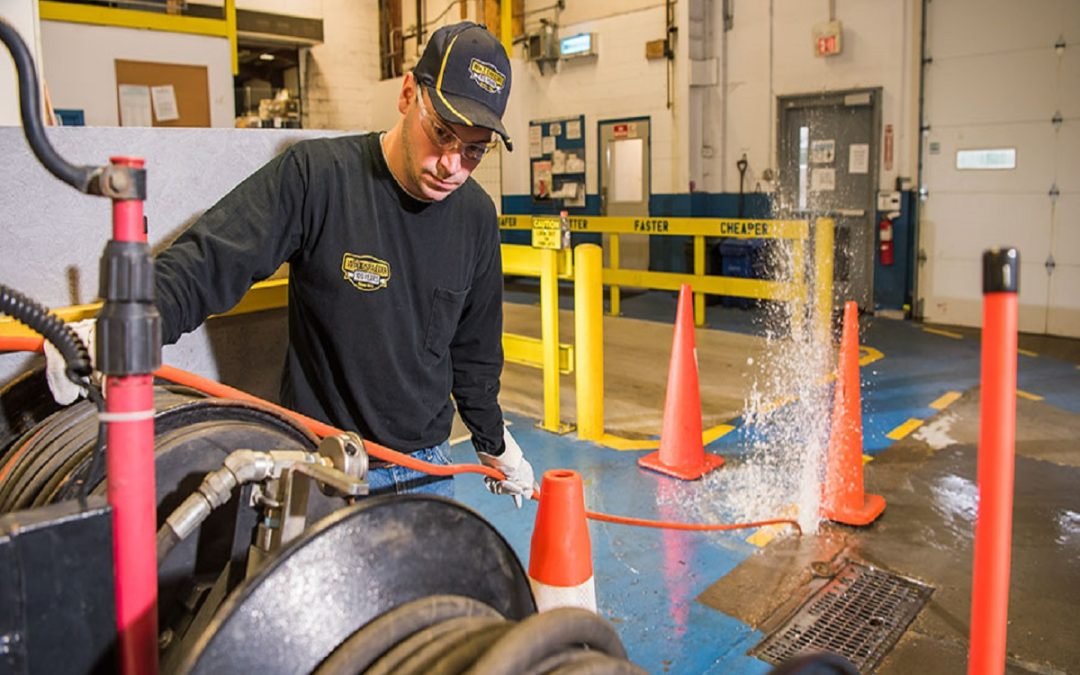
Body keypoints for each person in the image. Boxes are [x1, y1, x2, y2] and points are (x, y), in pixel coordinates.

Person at [50, 21, 536, 504]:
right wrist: (128, 326)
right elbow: (212, 258)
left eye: (474, 150)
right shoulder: (318, 177)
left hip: (425, 468)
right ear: (408, 94)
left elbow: (474, 354)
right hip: (321, 466)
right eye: (442, 133)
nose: (452, 164)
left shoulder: (476, 216)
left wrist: (494, 444)